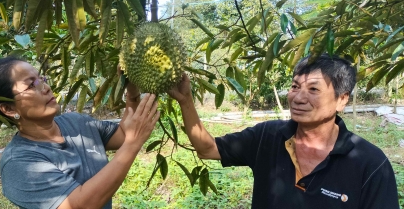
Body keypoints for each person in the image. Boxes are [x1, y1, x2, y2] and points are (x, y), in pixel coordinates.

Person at [168, 54, 399, 209]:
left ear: (341, 100)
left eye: (313, 89)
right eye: (295, 86)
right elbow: (207, 148)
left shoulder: (370, 164)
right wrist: (186, 100)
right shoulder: (267, 137)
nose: (298, 97)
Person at [0, 57, 159, 209]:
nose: (46, 87)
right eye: (31, 85)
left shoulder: (77, 122)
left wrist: (132, 92)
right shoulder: (19, 163)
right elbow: (80, 205)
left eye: (41, 79)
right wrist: (133, 144)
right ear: (8, 109)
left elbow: (123, 135)